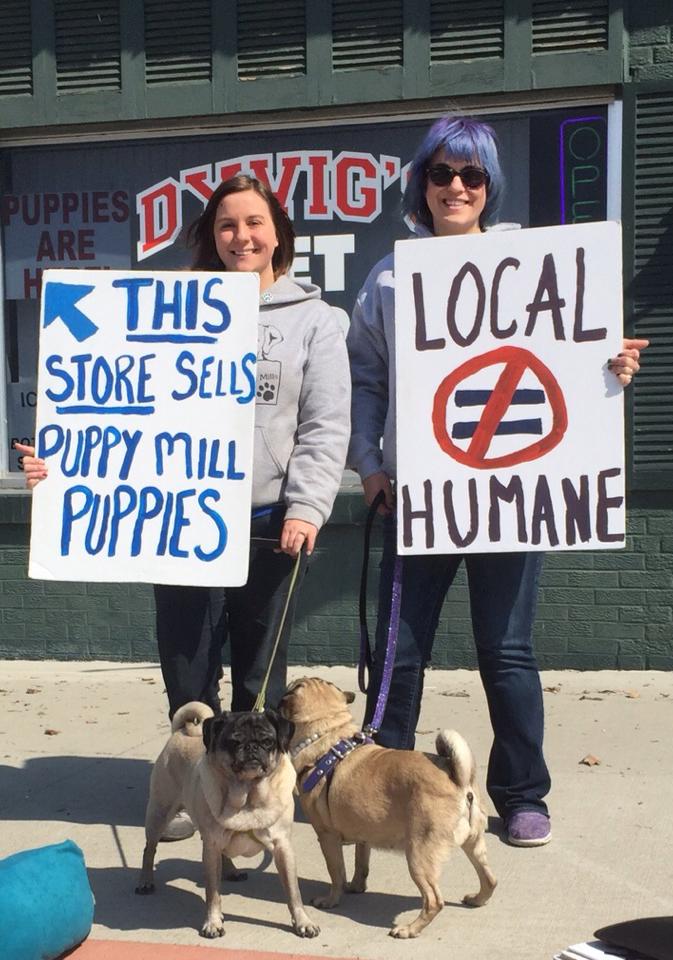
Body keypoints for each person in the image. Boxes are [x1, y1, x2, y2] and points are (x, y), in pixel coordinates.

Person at [346, 115, 648, 848]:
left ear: (489, 186)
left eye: (471, 174)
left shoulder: (536, 264)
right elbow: (365, 380)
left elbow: (573, 364)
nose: (456, 187)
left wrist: (611, 370)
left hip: (511, 496)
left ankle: (521, 795)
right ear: (421, 183)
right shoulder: (389, 277)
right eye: (441, 173)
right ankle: (380, 793)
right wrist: (370, 464)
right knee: (399, 652)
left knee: (506, 651)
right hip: (418, 495)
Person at [18, 175, 351, 835]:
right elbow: (115, 408)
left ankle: (259, 798)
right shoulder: (167, 311)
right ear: (211, 236)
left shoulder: (316, 320)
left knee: (260, 672)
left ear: (278, 233)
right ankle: (195, 787)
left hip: (269, 522)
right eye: (227, 225)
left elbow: (325, 424)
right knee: (187, 663)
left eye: (254, 223)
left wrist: (307, 507)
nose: (241, 237)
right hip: (180, 517)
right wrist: (62, 465)